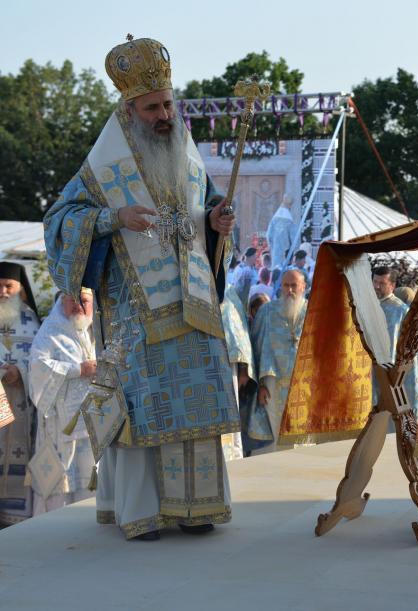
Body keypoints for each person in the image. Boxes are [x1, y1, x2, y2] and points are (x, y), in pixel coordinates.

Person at [44, 36, 239, 540]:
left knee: (194, 404)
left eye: (168, 105)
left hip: (194, 311)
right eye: (152, 108)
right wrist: (113, 217)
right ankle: (141, 512)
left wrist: (217, 221)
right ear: (128, 110)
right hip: (137, 319)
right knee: (144, 409)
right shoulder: (102, 166)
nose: (164, 115)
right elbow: (59, 220)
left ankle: (195, 507)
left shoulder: (185, 154)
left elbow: (204, 208)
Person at [28, 290, 97, 514]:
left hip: (95, 422)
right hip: (60, 426)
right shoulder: (50, 331)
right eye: (72, 301)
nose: (78, 306)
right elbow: (37, 368)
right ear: (62, 301)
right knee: (63, 484)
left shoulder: (100, 327)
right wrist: (78, 369)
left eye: (83, 301)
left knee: (94, 479)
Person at [0, 262, 41, 526]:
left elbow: (41, 361)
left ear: (21, 289)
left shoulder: (32, 320)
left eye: (8, 286)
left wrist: (20, 371)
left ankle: (14, 516)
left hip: (21, 403)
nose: (3, 292)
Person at [251, 269, 308, 454]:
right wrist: (259, 386)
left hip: (305, 385)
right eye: (286, 285)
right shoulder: (266, 312)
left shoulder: (314, 312)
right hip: (273, 385)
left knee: (303, 437)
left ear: (303, 287)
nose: (289, 290)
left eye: (294, 286)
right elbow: (256, 348)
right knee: (277, 436)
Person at [371, 267, 418, 412]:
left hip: (391, 372)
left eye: (382, 283)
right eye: (375, 282)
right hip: (368, 369)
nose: (376, 286)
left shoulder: (401, 311)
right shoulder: (366, 306)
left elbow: (409, 349)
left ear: (392, 286)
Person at [219, 288, 251, 460]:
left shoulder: (228, 291)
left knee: (229, 411)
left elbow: (239, 332)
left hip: (225, 361)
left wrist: (244, 369)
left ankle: (231, 455)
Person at [265, 195, 297, 271]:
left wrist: (270, 245)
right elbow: (294, 238)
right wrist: (294, 250)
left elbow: (268, 235)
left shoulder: (274, 219)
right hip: (285, 250)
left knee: (275, 267)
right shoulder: (289, 220)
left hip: (275, 248)